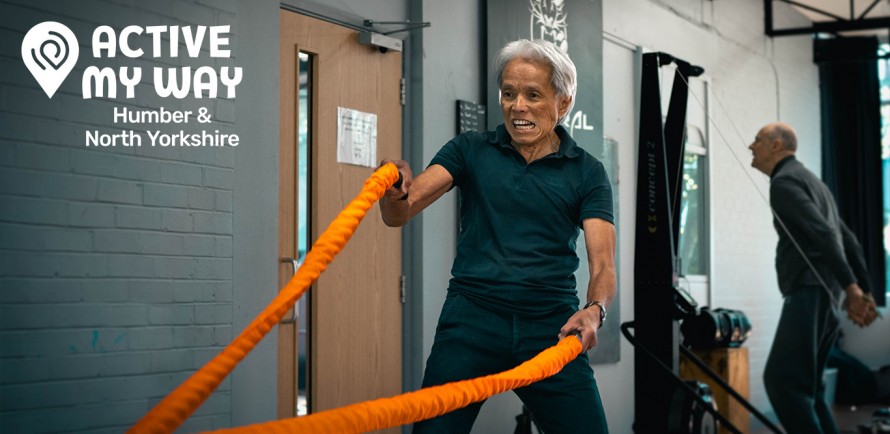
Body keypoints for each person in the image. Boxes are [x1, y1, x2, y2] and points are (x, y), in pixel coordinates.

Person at [379, 39, 615, 434]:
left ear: (564, 102)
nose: (517, 106)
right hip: (471, 320)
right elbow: (400, 212)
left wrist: (596, 310)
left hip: (550, 326)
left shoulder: (587, 173)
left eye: (533, 95)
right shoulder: (470, 150)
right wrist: (394, 189)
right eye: (508, 93)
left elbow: (604, 264)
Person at [748, 122, 879, 434]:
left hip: (809, 292)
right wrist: (864, 289)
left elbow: (824, 234)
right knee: (812, 391)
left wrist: (853, 289)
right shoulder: (813, 182)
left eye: (757, 140)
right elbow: (849, 240)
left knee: (782, 383)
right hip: (826, 295)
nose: (751, 146)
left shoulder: (783, 182)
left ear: (776, 145)